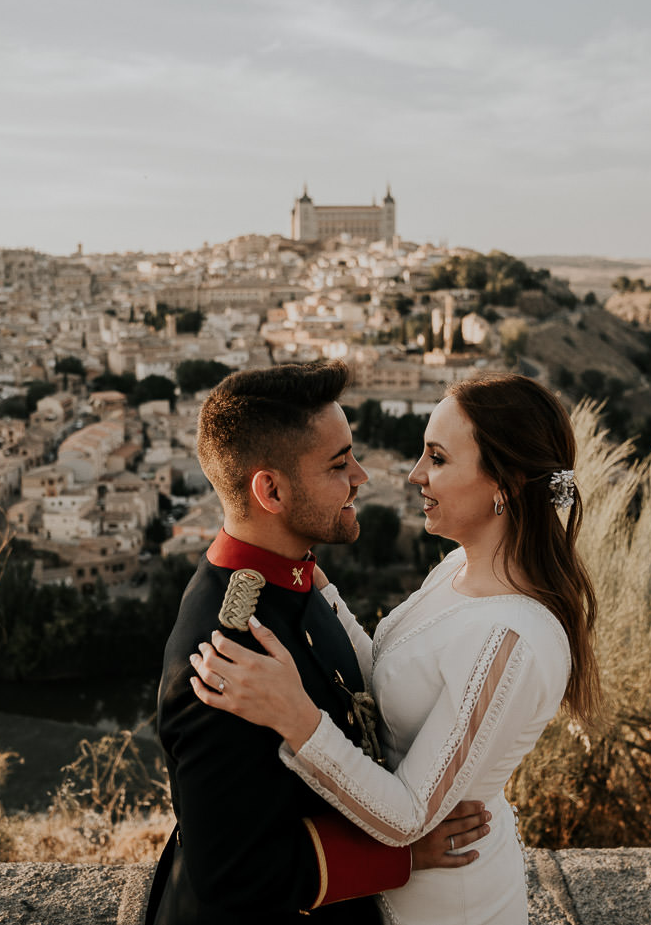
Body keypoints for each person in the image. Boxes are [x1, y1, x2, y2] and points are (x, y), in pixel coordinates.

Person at [189, 373, 601, 925]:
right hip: (398, 890)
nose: (415, 475)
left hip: (445, 905)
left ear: (504, 482)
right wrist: (314, 583)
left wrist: (297, 718)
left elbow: (409, 816)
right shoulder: (461, 566)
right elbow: (388, 668)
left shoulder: (510, 641)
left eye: (437, 457)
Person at [146, 360, 491, 925]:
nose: (362, 475)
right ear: (272, 490)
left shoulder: (292, 581)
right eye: (339, 464)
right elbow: (231, 875)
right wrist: (399, 854)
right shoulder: (227, 657)